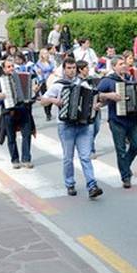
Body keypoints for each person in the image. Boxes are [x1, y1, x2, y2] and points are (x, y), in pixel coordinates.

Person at [40, 57, 103, 199]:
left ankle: (92, 185)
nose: (71, 70)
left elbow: (91, 101)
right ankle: (70, 183)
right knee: (68, 158)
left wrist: (95, 106)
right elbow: (43, 101)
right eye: (69, 68)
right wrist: (53, 100)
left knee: (85, 157)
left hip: (83, 125)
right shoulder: (58, 85)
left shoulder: (84, 84)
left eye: (73, 68)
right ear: (64, 69)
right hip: (66, 125)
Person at [97, 56, 137, 188]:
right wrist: (108, 95)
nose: (124, 66)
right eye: (121, 64)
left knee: (136, 145)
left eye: (124, 63)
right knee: (120, 149)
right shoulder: (108, 81)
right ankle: (126, 177)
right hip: (117, 120)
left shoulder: (131, 79)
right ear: (114, 66)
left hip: (132, 119)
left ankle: (125, 166)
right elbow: (96, 93)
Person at [0, 57, 36, 169]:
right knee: (11, 137)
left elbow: (30, 92)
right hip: (9, 111)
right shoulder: (0, 81)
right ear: (4, 69)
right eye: (8, 67)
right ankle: (15, 160)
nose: (11, 68)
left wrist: (34, 90)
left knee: (27, 135)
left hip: (23, 109)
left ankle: (26, 159)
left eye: (12, 66)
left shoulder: (22, 76)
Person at [34, 48, 56, 121]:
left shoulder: (51, 62)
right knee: (45, 97)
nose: (46, 55)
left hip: (51, 81)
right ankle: (47, 113)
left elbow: (54, 70)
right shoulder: (38, 64)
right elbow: (38, 73)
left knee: (52, 96)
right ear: (41, 55)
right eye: (44, 53)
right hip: (43, 82)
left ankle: (49, 110)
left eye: (47, 53)